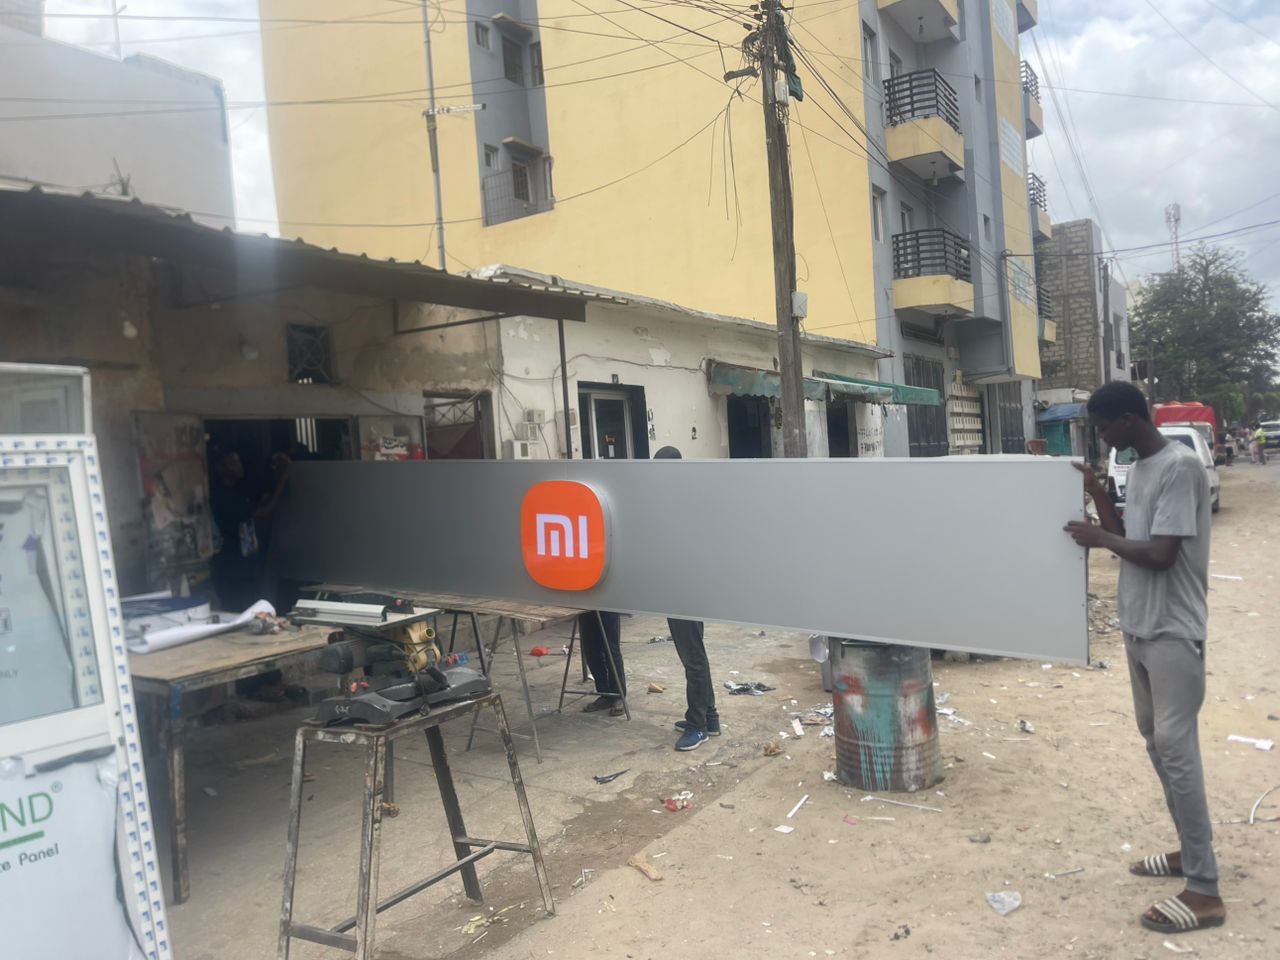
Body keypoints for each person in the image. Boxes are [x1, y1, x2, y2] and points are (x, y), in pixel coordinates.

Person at [1064, 382, 1224, 935]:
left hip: (1173, 631)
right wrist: (1096, 494)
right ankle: (1190, 852)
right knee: (1158, 744)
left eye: (1105, 428)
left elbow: (1159, 554)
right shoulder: (1142, 468)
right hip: (1140, 627)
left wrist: (1099, 539)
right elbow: (1128, 535)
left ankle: (1204, 891)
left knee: (1178, 753)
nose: (1103, 438)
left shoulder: (1181, 468)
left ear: (1129, 420)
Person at [654, 446, 720, 751]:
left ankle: (698, 726)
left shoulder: (681, 505)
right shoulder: (681, 500)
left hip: (685, 588)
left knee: (692, 657)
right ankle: (710, 717)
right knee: (695, 653)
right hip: (683, 585)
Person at [209, 447, 290, 612]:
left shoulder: (238, 490)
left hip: (246, 565)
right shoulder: (223, 498)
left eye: (238, 461)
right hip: (231, 568)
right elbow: (266, 512)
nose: (238, 466)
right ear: (221, 468)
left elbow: (260, 503)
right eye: (232, 462)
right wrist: (283, 479)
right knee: (238, 611)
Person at [578, 611, 626, 716]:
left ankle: (618, 695)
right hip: (585, 608)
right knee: (591, 651)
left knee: (611, 650)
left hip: (607, 607)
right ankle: (605, 694)